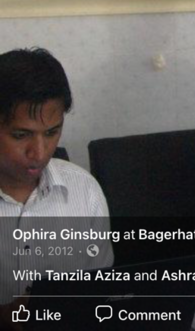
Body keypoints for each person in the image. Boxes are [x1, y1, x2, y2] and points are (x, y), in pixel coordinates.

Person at [0, 48, 114, 323]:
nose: (39, 153)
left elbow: (102, 290)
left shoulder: (84, 190)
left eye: (52, 133)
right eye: (20, 135)